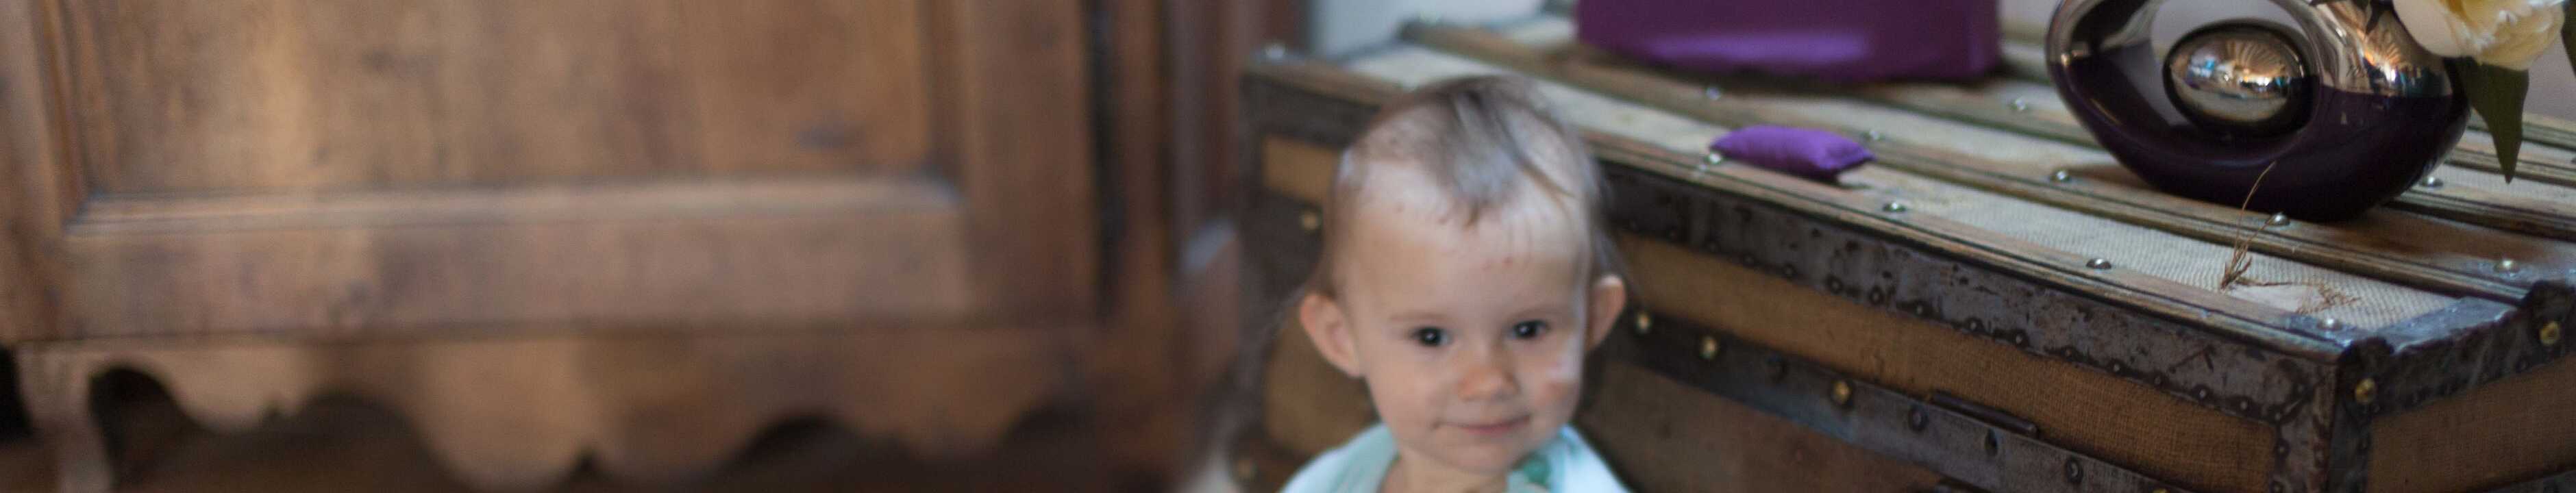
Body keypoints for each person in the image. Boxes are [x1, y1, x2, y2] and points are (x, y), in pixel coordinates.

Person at [1283, 75, 1631, 493]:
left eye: (1529, 330)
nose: (1488, 382)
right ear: (1341, 337)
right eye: (1431, 337)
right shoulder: (1343, 474)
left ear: (1593, 318)